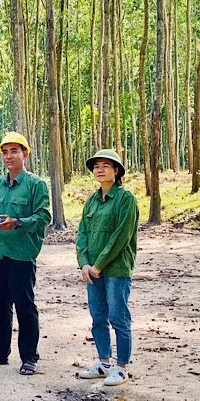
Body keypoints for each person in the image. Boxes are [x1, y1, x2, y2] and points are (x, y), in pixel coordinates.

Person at [0, 132, 50, 376]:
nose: (8, 156)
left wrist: (17, 222)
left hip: (22, 255)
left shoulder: (36, 184)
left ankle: (29, 357)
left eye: (14, 151)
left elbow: (44, 217)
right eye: (5, 152)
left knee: (25, 307)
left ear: (25, 154)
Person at [75, 149, 138, 386]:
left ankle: (121, 367)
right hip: (92, 270)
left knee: (118, 317)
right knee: (98, 317)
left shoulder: (126, 199)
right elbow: (81, 233)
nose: (99, 170)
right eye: (96, 166)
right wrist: (84, 264)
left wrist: (99, 265)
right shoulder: (91, 200)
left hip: (116, 269)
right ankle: (104, 363)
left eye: (105, 166)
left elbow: (121, 236)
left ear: (117, 170)